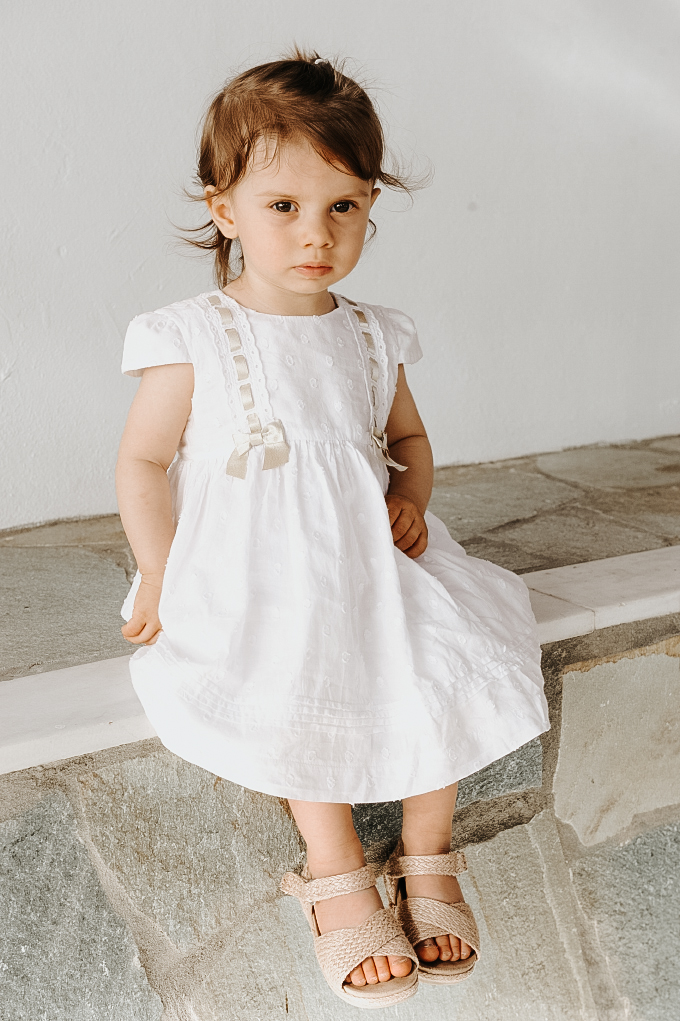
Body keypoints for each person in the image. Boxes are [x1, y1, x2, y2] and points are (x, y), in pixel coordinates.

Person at [116, 50, 550, 1009]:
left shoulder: (372, 334)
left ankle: (427, 846)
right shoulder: (193, 333)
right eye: (283, 205)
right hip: (253, 568)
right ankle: (335, 859)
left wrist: (412, 499)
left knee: (445, 647)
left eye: (343, 205)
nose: (316, 232)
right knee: (293, 669)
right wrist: (160, 569)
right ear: (225, 209)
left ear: (369, 207)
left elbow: (409, 440)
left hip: (368, 557)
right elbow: (143, 463)